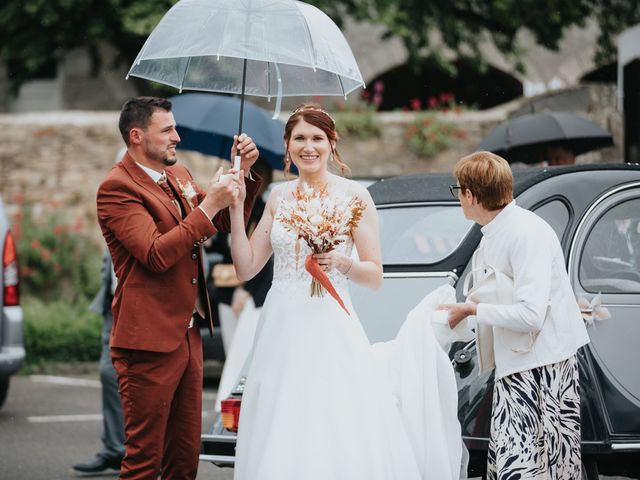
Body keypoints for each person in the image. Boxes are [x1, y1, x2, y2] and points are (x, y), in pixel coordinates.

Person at [227, 104, 462, 480]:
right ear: (287, 146)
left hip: (329, 322)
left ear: (332, 144)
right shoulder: (278, 197)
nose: (309, 146)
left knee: (332, 414)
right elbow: (246, 267)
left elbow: (375, 275)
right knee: (282, 415)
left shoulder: (355, 196)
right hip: (281, 326)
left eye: (317, 138)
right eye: (299, 139)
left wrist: (342, 263)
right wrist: (237, 209)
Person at [96, 96, 261, 479]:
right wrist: (208, 207)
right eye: (167, 130)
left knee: (184, 458)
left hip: (189, 335)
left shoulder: (179, 175)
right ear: (137, 136)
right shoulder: (116, 188)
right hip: (148, 341)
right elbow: (155, 254)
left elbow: (218, 226)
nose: (177, 136)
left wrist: (245, 175)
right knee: (143, 460)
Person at [439, 151, 590, 479]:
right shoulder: (493, 232)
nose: (459, 198)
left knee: (529, 467)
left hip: (541, 369)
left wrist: (472, 309)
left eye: (459, 190)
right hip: (518, 364)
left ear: (471, 195)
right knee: (517, 464)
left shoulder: (525, 234)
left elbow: (531, 315)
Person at [72, 250, 125, 474]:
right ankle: (114, 450)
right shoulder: (117, 213)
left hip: (145, 308)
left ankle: (151, 455)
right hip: (113, 310)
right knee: (108, 373)